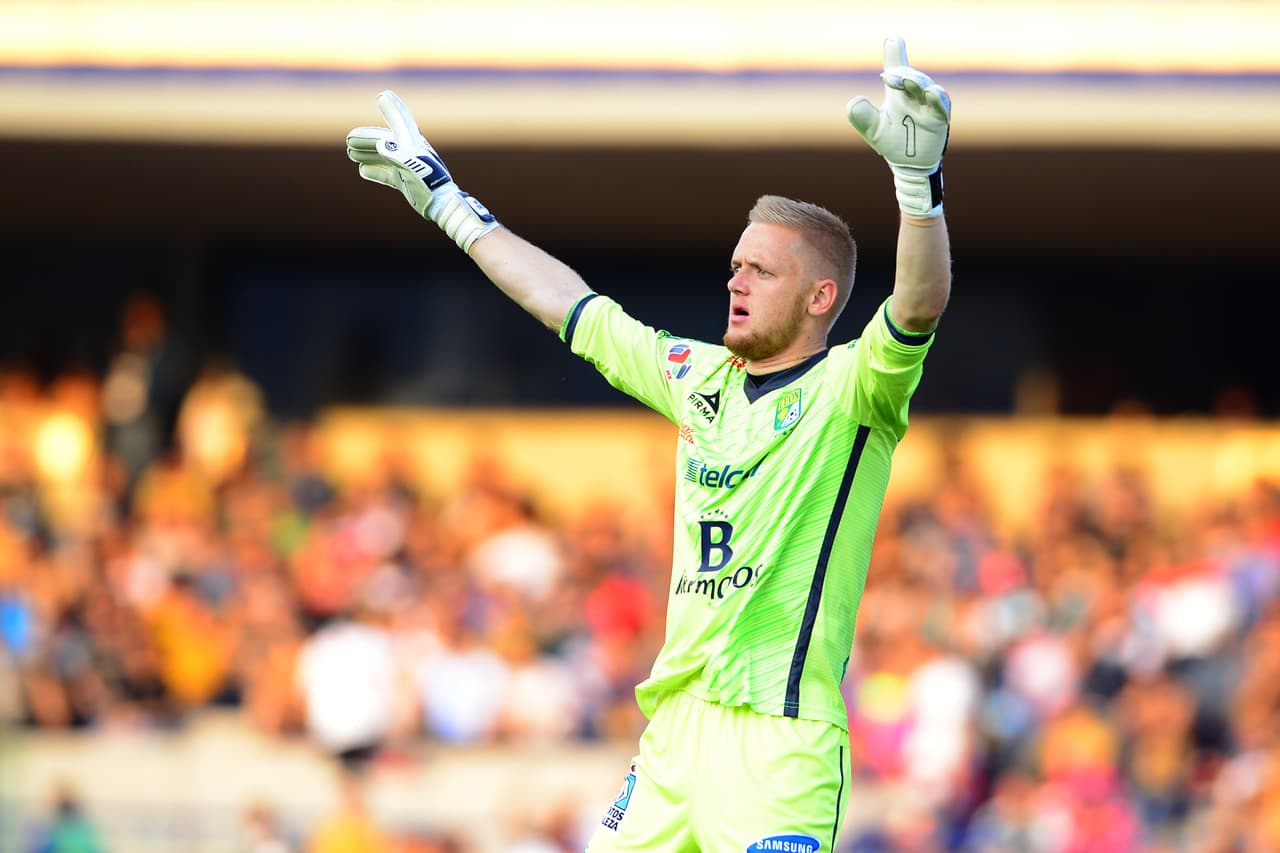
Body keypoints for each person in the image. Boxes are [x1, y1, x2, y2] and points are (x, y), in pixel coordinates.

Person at [348, 35, 952, 853]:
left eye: (760, 272)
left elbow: (917, 303)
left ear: (820, 296)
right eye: (735, 265)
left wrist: (919, 191)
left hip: (778, 741)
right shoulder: (692, 376)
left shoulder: (853, 389)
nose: (735, 281)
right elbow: (566, 301)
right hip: (672, 735)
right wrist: (445, 200)